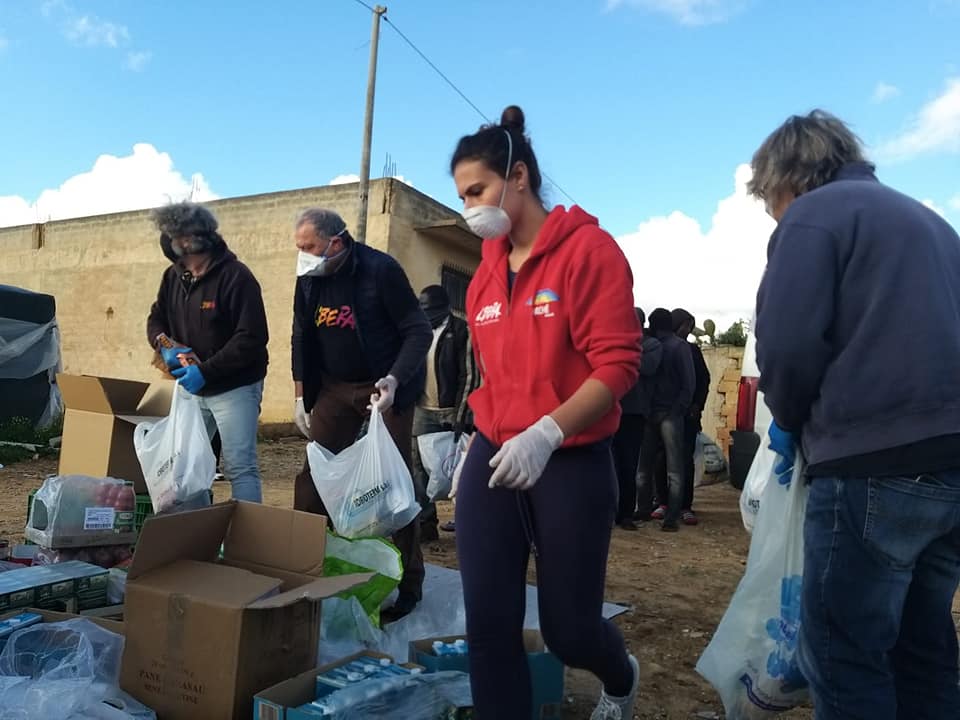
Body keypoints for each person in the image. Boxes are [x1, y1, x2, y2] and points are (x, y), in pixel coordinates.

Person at [751, 110, 960, 719]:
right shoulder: (933, 224)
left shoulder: (814, 217)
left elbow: (787, 343)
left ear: (788, 177)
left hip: (874, 464)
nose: (771, 212)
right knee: (923, 648)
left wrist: (786, 420)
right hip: (952, 465)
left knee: (846, 653)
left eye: (769, 198)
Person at [448, 105, 642, 720]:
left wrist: (547, 431)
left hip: (571, 457)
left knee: (569, 631)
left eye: (476, 190)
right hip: (493, 453)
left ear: (519, 177)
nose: (469, 207)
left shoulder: (588, 252)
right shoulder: (482, 279)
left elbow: (617, 367)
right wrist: (477, 442)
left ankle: (619, 675)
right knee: (488, 623)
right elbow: (492, 376)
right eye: (460, 197)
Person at [290, 207, 432, 623]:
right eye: (299, 248)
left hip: (382, 386)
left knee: (394, 484)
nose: (304, 255)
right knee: (312, 475)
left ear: (336, 241)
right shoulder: (309, 278)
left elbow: (418, 329)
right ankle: (302, 565)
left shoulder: (380, 270)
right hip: (333, 386)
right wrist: (301, 393)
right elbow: (301, 333)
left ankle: (410, 584)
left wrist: (393, 380)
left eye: (310, 247)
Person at [146, 201, 268, 504]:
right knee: (189, 466)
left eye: (174, 236)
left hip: (234, 387)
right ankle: (198, 531)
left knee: (240, 467)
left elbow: (252, 337)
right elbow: (156, 317)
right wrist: (163, 343)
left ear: (191, 240)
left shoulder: (236, 277)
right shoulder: (172, 277)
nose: (170, 243)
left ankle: (249, 542)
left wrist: (207, 370)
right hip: (190, 387)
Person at [411, 285, 477, 542]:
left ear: (444, 309)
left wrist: (462, 415)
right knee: (420, 469)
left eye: (431, 311)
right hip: (424, 410)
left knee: (461, 468)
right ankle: (426, 525)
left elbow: (468, 376)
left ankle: (465, 521)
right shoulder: (419, 330)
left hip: (452, 411)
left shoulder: (461, 331)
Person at [636, 308, 694, 531]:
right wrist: (677, 410)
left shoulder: (648, 346)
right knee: (674, 469)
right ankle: (670, 518)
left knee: (644, 466)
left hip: (652, 413)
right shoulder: (680, 347)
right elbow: (689, 384)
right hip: (670, 413)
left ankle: (643, 510)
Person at [612, 307, 662, 530]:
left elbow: (646, 367)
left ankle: (625, 514)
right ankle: (609, 512)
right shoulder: (615, 342)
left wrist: (621, 350)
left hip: (634, 414)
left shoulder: (651, 346)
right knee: (608, 464)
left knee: (630, 464)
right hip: (609, 410)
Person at [671, 308, 710, 525]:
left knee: (685, 459)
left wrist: (697, 405)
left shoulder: (694, 351)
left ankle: (685, 505)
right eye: (685, 324)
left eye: (689, 325)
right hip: (667, 413)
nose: (687, 329)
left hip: (688, 414)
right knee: (662, 458)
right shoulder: (662, 348)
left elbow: (703, 380)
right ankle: (664, 502)